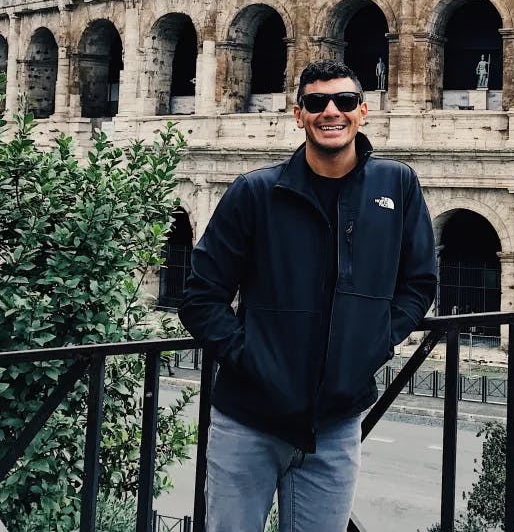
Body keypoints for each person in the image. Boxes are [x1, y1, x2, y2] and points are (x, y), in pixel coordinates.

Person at [179, 59, 436, 532]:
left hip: (335, 425)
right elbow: (200, 296)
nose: (330, 112)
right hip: (248, 420)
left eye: (343, 101)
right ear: (299, 115)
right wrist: (250, 358)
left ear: (363, 112)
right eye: (316, 103)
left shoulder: (397, 186)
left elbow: (419, 284)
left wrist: (373, 343)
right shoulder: (256, 192)